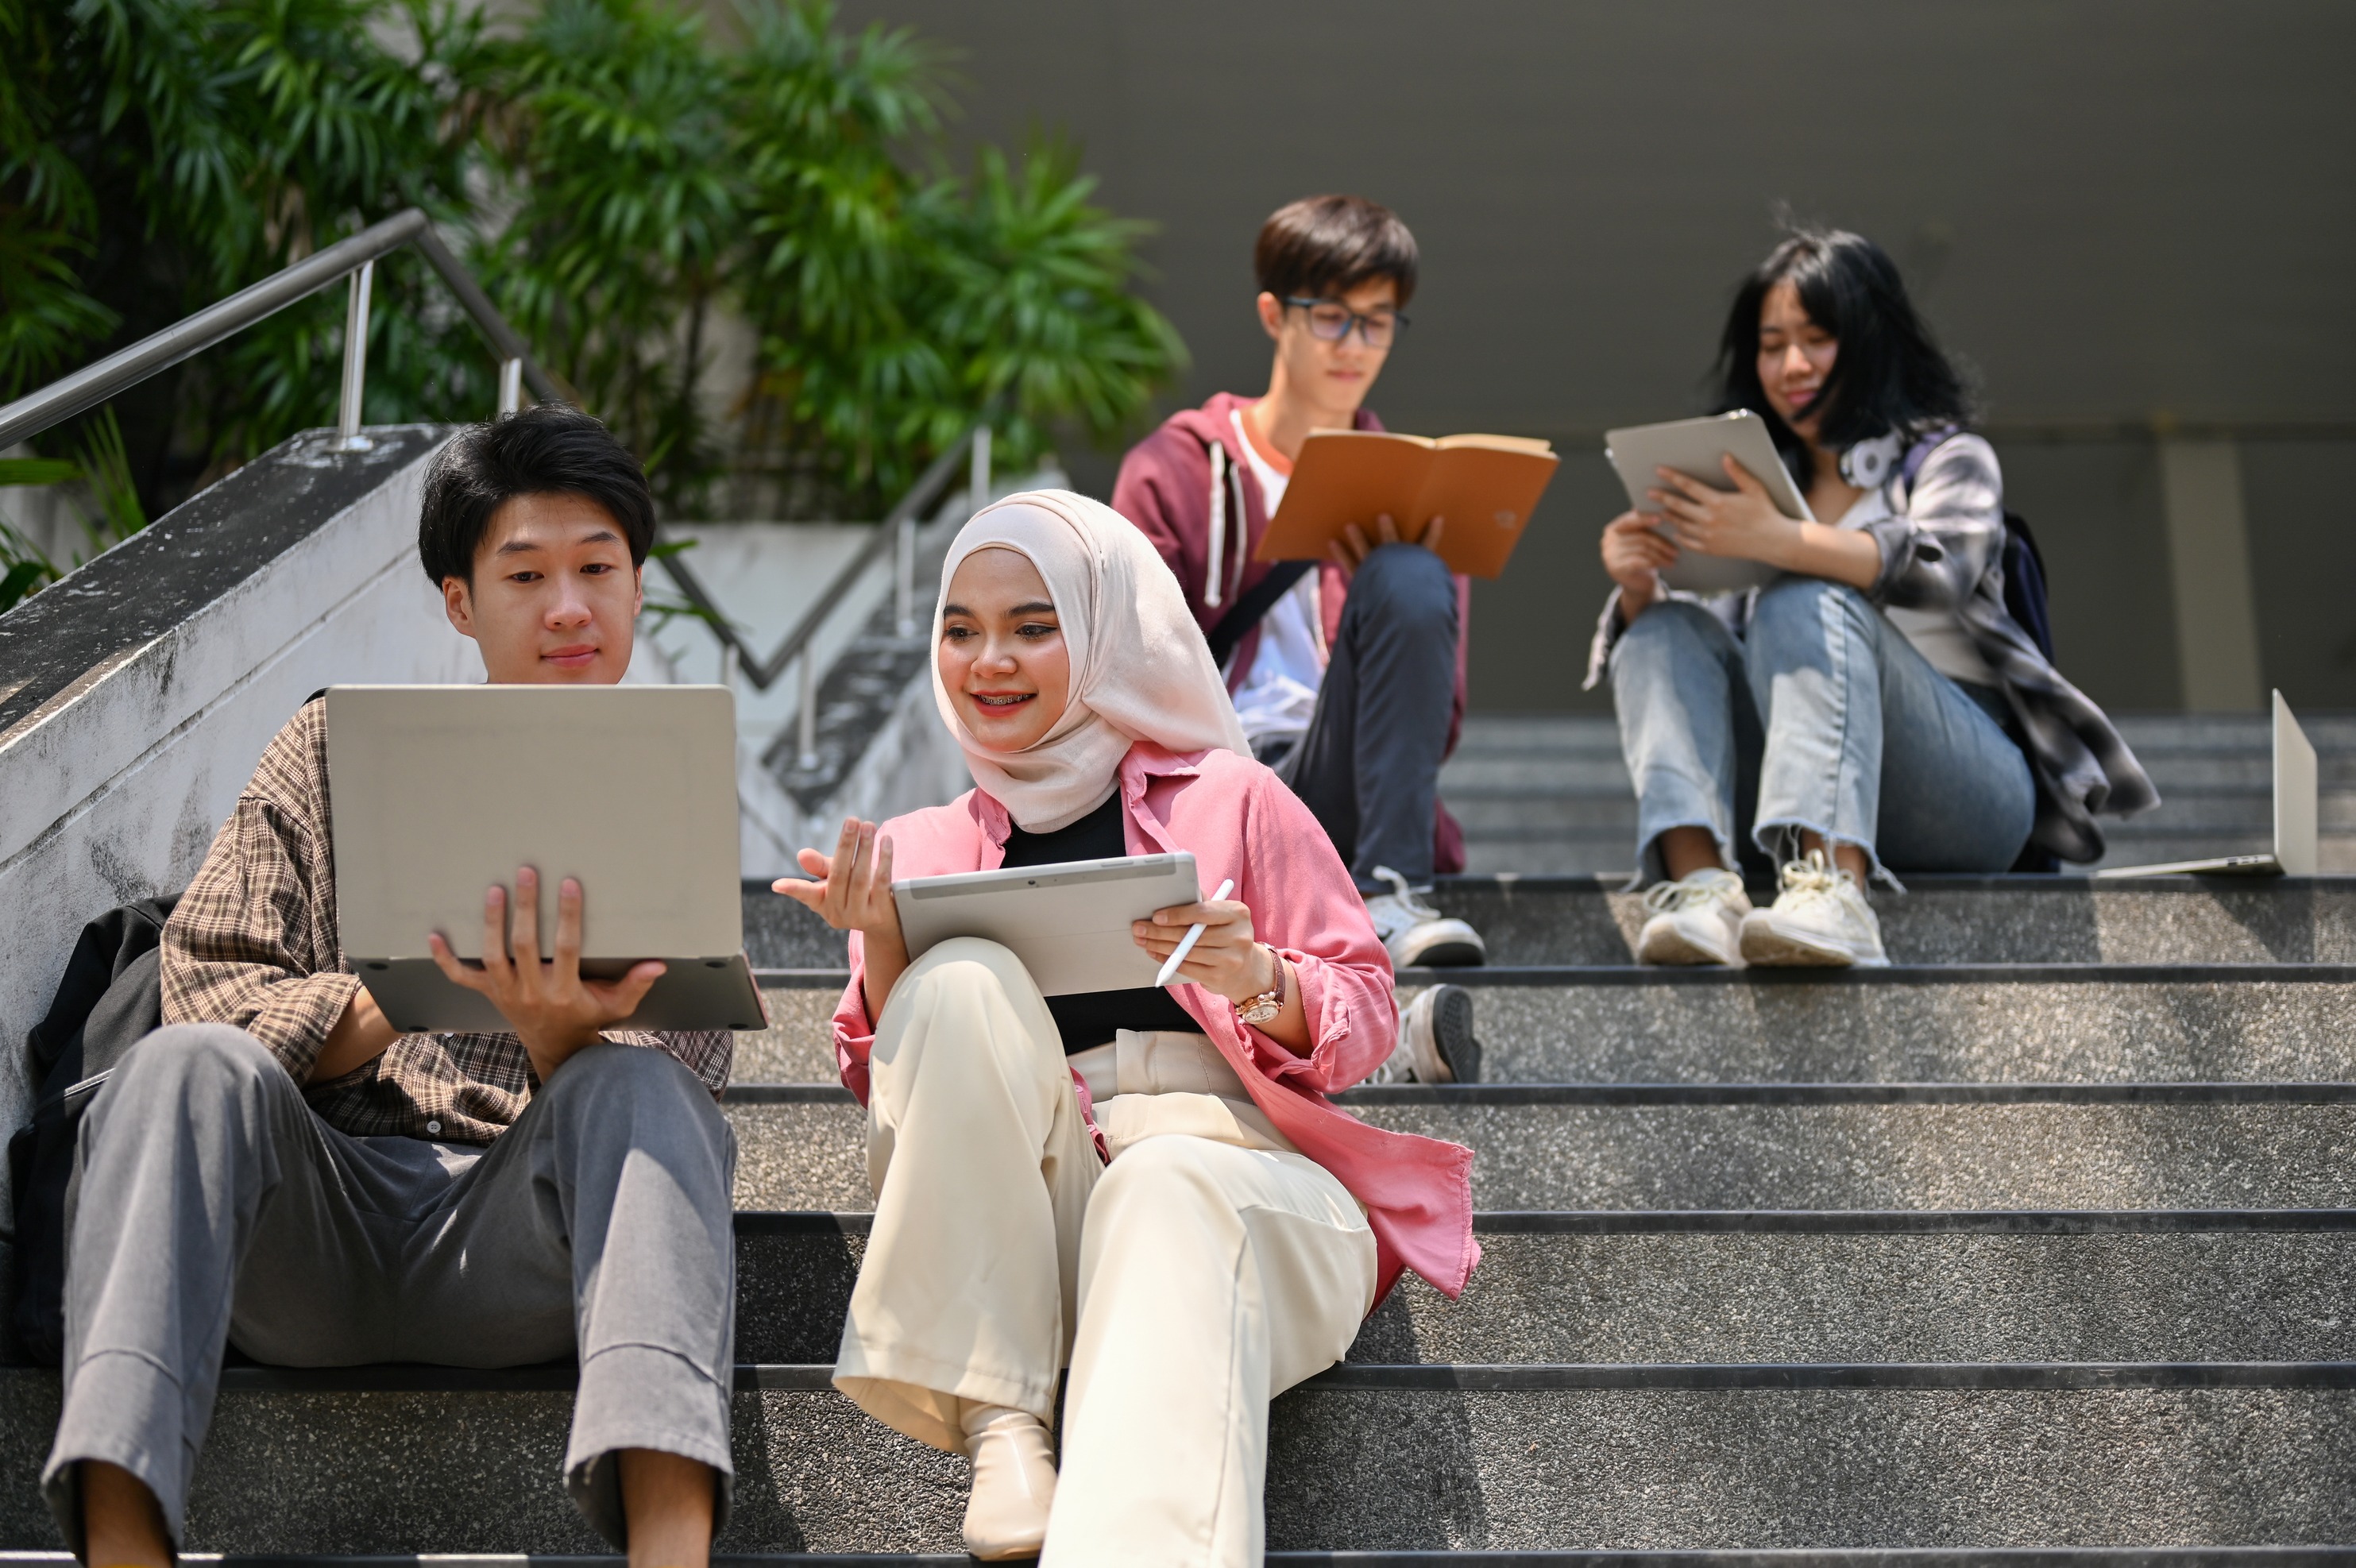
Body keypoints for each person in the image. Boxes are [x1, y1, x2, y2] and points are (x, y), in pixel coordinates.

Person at [44, 404, 739, 1566]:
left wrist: (561, 1042)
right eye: (525, 574)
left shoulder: (663, 783)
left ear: (635, 587)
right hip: (305, 1229)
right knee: (182, 1064)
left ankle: (671, 1551)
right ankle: (120, 1544)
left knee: (647, 1098)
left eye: (597, 569)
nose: (567, 606)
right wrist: (405, 993)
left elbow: (684, 1076)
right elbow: (209, 991)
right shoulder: (327, 751)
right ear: (461, 602)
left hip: (519, 1243)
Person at [775, 491, 1477, 1566]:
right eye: (958, 629)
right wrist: (878, 942)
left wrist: (1257, 974)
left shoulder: (1232, 797)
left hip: (1239, 1177)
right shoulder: (918, 845)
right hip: (1037, 1215)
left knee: (1165, 1184)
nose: (988, 660)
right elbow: (894, 1096)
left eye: (1031, 624)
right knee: (957, 981)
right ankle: (1002, 1416)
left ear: (1101, 632)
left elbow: (1366, 1012)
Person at [1591, 228, 2157, 968]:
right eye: (1772, 345)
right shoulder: (1753, 491)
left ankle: (1836, 894)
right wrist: (1639, 588)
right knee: (1659, 631)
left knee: (1804, 598)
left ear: (1872, 340)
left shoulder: (1944, 459)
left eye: (1818, 338)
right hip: (1793, 780)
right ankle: (1704, 893)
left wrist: (1780, 540)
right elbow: (1713, 661)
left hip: (1969, 790)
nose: (1792, 365)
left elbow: (1942, 568)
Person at [1113, 193, 1489, 985]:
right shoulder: (1176, 468)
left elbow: (1436, 724)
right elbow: (1117, 671)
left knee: (1408, 573)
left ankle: (1391, 892)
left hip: (1339, 787)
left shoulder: (1411, 490)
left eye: (1376, 321)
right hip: (1212, 791)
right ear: (1273, 314)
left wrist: (1379, 590)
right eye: (1329, 316)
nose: (1353, 344)